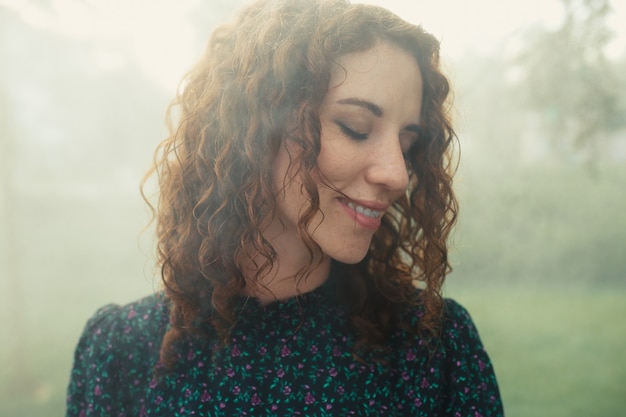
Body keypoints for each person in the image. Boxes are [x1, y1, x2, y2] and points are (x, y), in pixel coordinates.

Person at [66, 0, 504, 415]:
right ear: (254, 130)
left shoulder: (434, 349)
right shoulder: (121, 351)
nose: (396, 173)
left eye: (408, 144)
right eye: (355, 128)